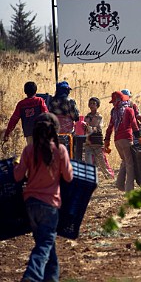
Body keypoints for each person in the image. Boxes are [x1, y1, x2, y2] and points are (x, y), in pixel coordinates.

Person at [14, 112, 73, 282]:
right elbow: (68, 177)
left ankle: (51, 278)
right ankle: (32, 276)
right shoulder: (60, 150)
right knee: (45, 245)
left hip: (31, 204)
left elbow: (18, 177)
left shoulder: (28, 150)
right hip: (50, 205)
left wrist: (16, 166)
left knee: (46, 245)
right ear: (55, 130)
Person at [104, 91, 141, 192]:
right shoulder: (129, 110)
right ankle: (129, 190)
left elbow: (110, 128)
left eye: (113, 102)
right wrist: (140, 138)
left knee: (125, 161)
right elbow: (134, 125)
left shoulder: (114, 112)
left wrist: (107, 141)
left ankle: (119, 185)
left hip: (117, 141)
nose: (113, 104)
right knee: (130, 165)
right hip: (126, 139)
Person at [83, 97, 114, 180]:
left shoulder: (99, 117)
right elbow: (85, 129)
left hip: (97, 142)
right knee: (88, 162)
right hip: (88, 142)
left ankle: (108, 176)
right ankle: (90, 178)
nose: (92, 105)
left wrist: (89, 128)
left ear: (97, 105)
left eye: (94, 103)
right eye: (90, 103)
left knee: (102, 162)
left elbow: (99, 128)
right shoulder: (87, 117)